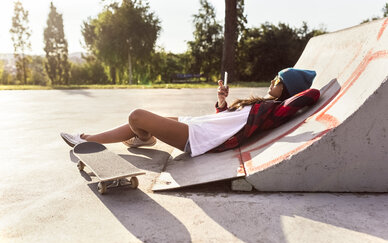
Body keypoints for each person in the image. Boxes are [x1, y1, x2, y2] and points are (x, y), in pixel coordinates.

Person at [61, 68, 320, 157]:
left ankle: (143, 137)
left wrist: (296, 88)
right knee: (145, 119)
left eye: (278, 79)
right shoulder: (261, 105)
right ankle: (88, 138)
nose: (272, 81)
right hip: (198, 125)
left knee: (136, 115)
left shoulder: (275, 110)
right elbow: (225, 120)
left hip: (199, 138)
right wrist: (221, 101)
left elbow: (312, 95)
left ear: (287, 88)